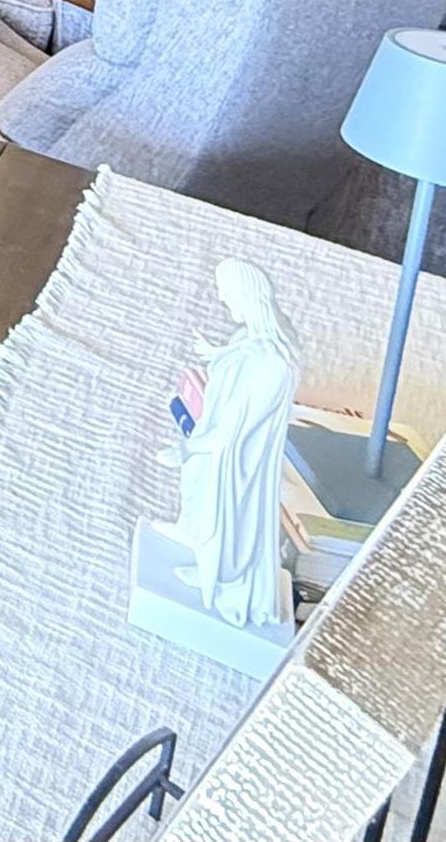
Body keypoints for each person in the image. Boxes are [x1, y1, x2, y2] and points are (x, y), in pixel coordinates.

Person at [176, 259, 299, 628]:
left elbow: (235, 431)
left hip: (241, 462)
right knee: (203, 489)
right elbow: (236, 364)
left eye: (228, 294)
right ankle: (205, 559)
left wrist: (189, 448)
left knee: (235, 517)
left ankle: (231, 585)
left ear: (249, 295)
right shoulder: (246, 342)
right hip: (220, 451)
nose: (223, 300)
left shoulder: (274, 365)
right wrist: (217, 354)